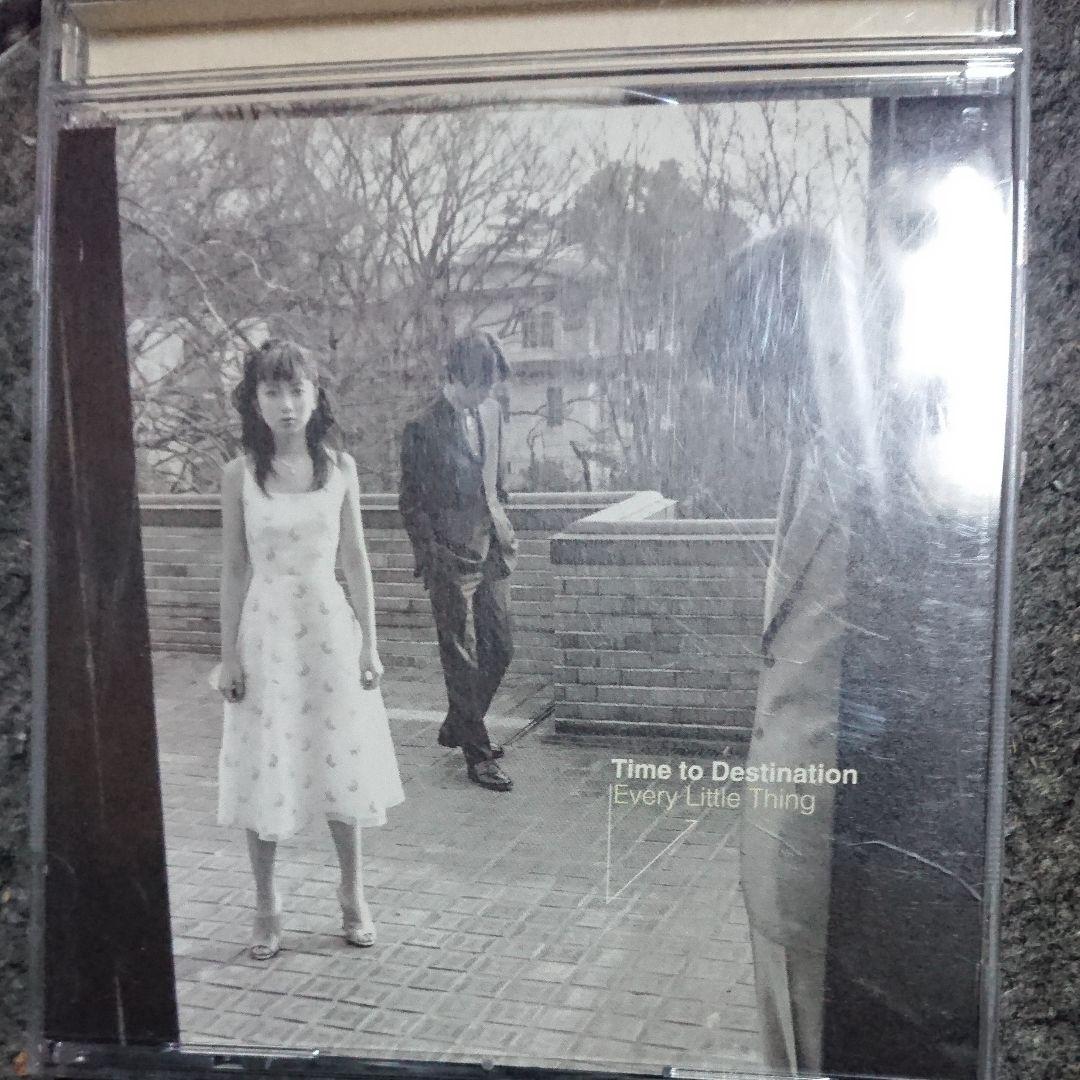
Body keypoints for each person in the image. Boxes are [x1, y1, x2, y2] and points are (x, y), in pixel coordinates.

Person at [694, 228, 879, 1074]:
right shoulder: (807, 459)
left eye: (754, 376)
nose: (751, 404)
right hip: (783, 837)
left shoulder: (876, 469)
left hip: (836, 849)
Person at [215, 339, 404, 960]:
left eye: (296, 390)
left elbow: (356, 559)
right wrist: (229, 655)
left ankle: (352, 893)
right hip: (266, 635)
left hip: (328, 631)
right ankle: (266, 905)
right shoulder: (239, 475)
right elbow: (234, 568)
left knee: (340, 758)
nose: (286, 404)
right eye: (272, 391)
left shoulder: (341, 468)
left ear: (316, 396)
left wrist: (370, 644)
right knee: (264, 762)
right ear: (255, 401)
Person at [398, 331, 518, 793]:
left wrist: (503, 522)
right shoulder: (422, 428)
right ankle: (478, 755)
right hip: (449, 558)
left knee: (501, 647)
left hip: (493, 548)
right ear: (456, 376)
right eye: (479, 384)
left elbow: (496, 481)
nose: (487, 393)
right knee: (461, 658)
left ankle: (460, 723)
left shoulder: (492, 412)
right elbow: (411, 504)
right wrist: (433, 558)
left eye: (491, 384)